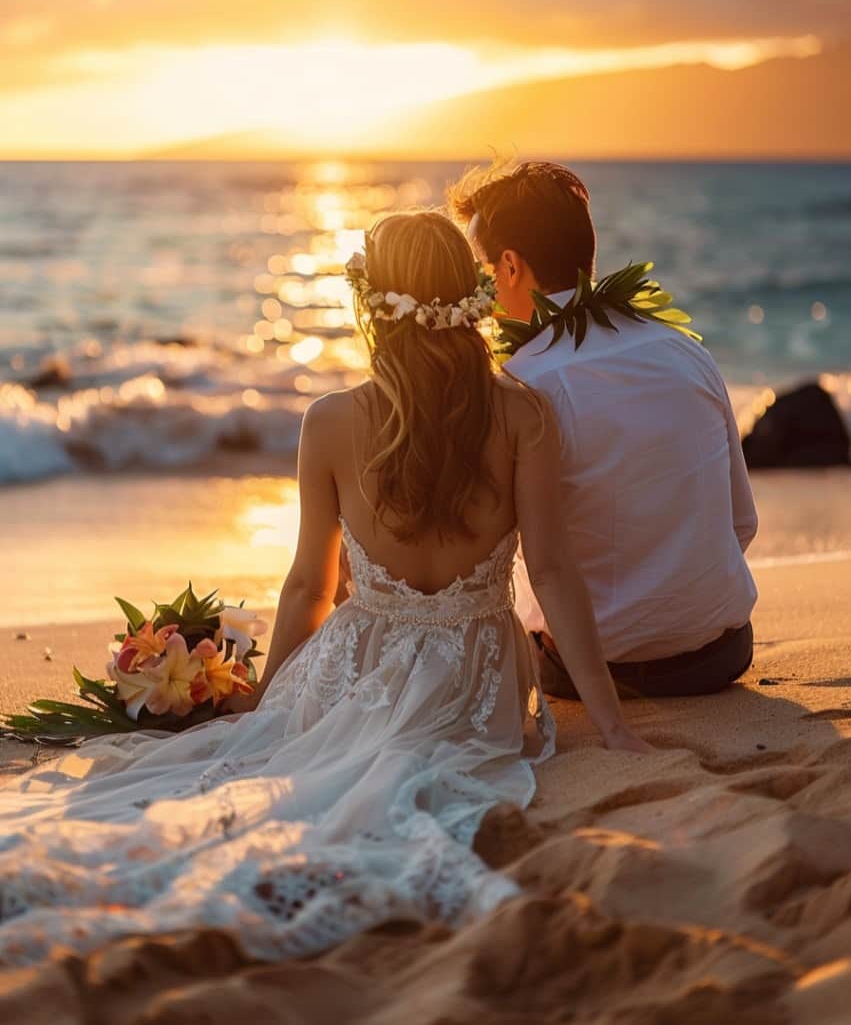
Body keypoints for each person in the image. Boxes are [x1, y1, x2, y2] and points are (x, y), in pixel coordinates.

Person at [0, 209, 646, 969]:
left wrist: (272, 694)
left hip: (355, 665)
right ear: (468, 295)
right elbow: (553, 571)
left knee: (273, 772)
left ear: (371, 304)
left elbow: (310, 580)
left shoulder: (331, 420)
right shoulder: (521, 413)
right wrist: (608, 721)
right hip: (477, 676)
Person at [450, 161, 758, 699]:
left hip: (587, 671)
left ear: (509, 265)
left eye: (480, 270)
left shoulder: (520, 386)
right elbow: (741, 525)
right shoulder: (687, 351)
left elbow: (492, 560)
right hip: (719, 656)